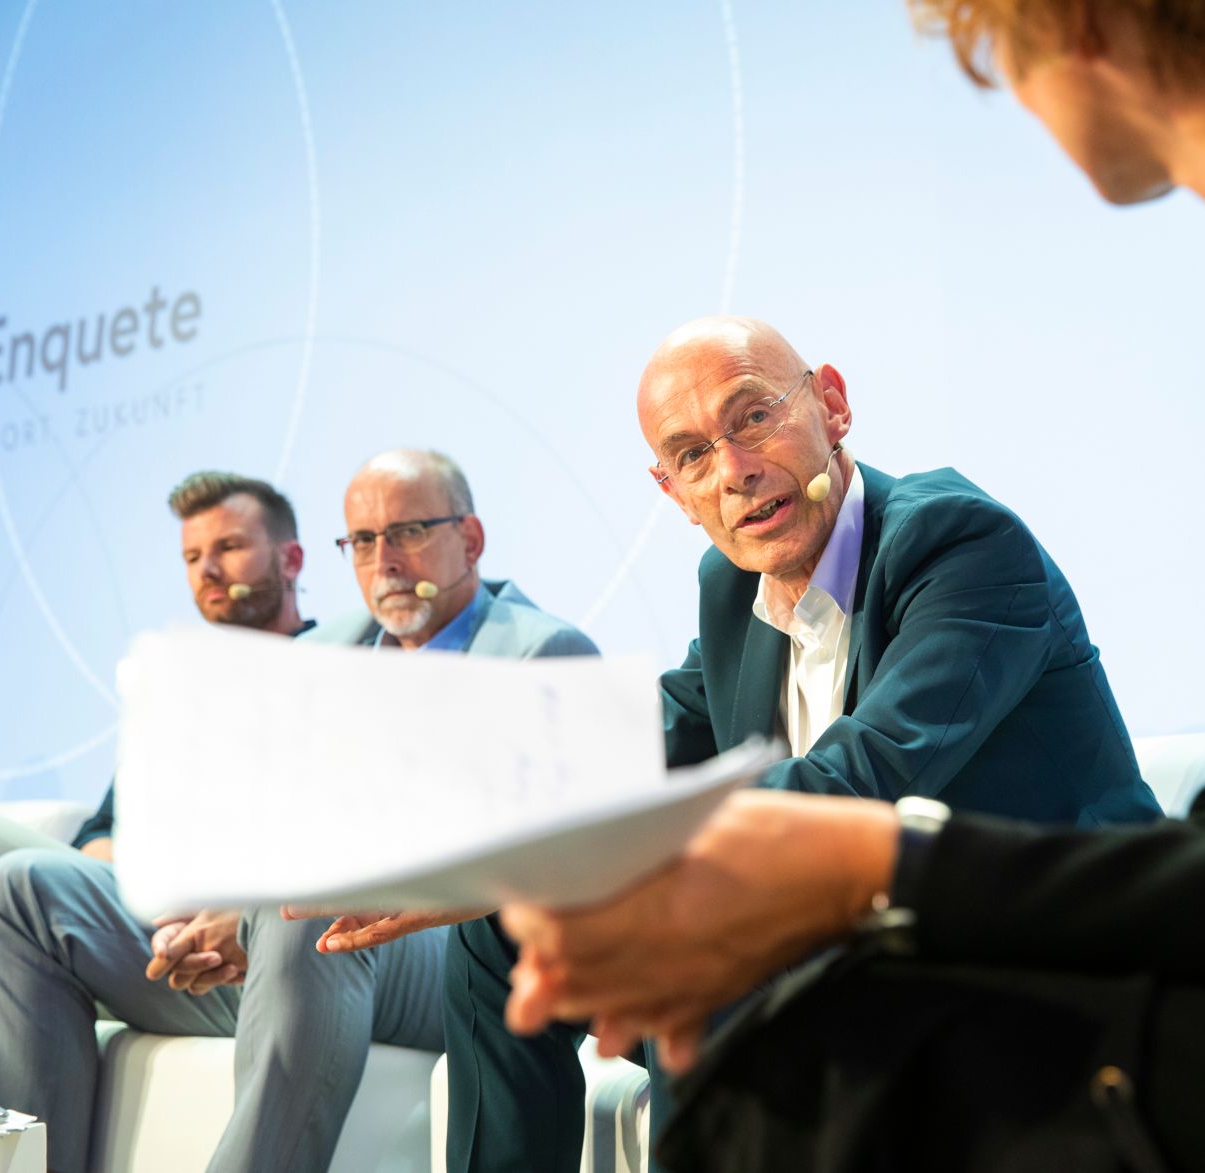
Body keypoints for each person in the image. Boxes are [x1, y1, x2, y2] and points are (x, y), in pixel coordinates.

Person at [498, 2, 1205, 1169]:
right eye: (691, 457)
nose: (731, 472)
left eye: (988, 52)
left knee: (820, 1084)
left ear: (1072, 29)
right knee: (794, 1061)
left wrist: (867, 869)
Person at [355, 315, 1158, 1173]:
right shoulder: (733, 585)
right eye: (694, 454)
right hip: (849, 954)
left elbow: (864, 778)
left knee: (692, 936)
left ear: (833, 406)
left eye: (752, 419)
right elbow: (654, 731)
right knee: (498, 930)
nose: (734, 469)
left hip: (1030, 948)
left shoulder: (958, 543)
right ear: (674, 492)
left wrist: (593, 854)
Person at [0, 451, 596, 1173]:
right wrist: (213, 917)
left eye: (409, 531)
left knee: (309, 908)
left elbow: (518, 849)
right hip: (284, 950)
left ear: (471, 539)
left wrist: (266, 905)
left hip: (446, 952)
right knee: (21, 890)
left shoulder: (540, 650)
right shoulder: (316, 655)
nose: (382, 559)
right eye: (360, 540)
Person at [0, 469, 306, 1034]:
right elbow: (99, 829)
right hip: (112, 918)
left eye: (230, 547)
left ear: (291, 560)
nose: (208, 570)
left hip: (213, 942)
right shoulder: (181, 692)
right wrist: (126, 874)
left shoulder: (329, 664)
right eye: (192, 557)